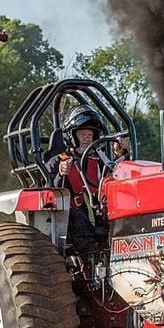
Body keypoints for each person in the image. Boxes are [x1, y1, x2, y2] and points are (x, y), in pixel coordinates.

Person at [45, 104, 128, 261]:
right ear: (72, 136)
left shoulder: (99, 160)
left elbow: (118, 176)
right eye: (82, 134)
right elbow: (47, 194)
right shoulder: (57, 161)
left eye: (90, 135)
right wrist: (61, 174)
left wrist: (121, 154)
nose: (86, 138)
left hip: (98, 211)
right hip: (68, 216)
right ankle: (91, 264)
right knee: (78, 219)